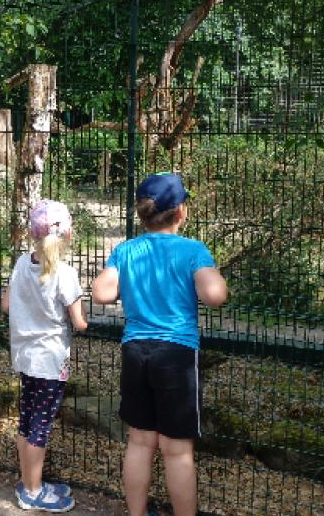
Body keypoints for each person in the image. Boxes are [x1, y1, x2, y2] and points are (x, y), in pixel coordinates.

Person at [91, 173, 228, 516]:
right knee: (177, 450)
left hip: (135, 352)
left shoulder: (126, 250)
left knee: (140, 441)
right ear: (181, 212)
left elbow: (101, 293)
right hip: (176, 354)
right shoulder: (193, 250)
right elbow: (215, 295)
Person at [2, 199, 88, 513]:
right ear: (68, 235)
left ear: (31, 234)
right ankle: (33, 492)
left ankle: (28, 481)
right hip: (50, 362)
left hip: (25, 357)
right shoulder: (66, 274)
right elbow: (79, 322)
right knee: (39, 426)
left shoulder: (21, 264)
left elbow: (7, 305)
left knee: (27, 421)